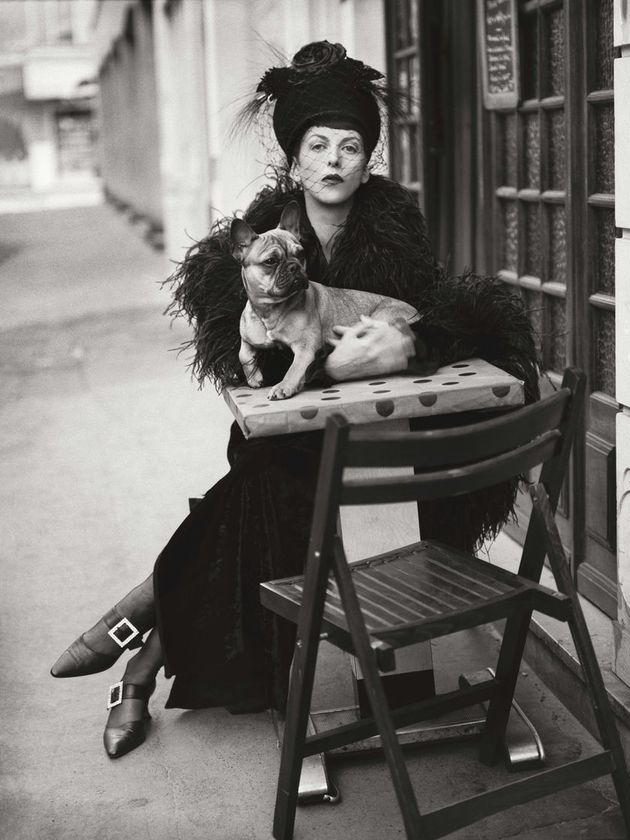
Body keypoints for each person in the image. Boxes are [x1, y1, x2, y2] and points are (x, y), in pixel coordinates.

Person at [51, 41, 540, 759]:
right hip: (295, 439)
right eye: (319, 145)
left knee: (259, 491)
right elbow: (224, 333)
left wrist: (412, 345)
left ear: (367, 157)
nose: (336, 159)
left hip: (393, 444)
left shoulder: (395, 222)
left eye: (351, 145)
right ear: (295, 160)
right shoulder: (259, 228)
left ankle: (142, 635)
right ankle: (144, 656)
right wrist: (269, 354)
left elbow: (449, 313)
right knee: (271, 483)